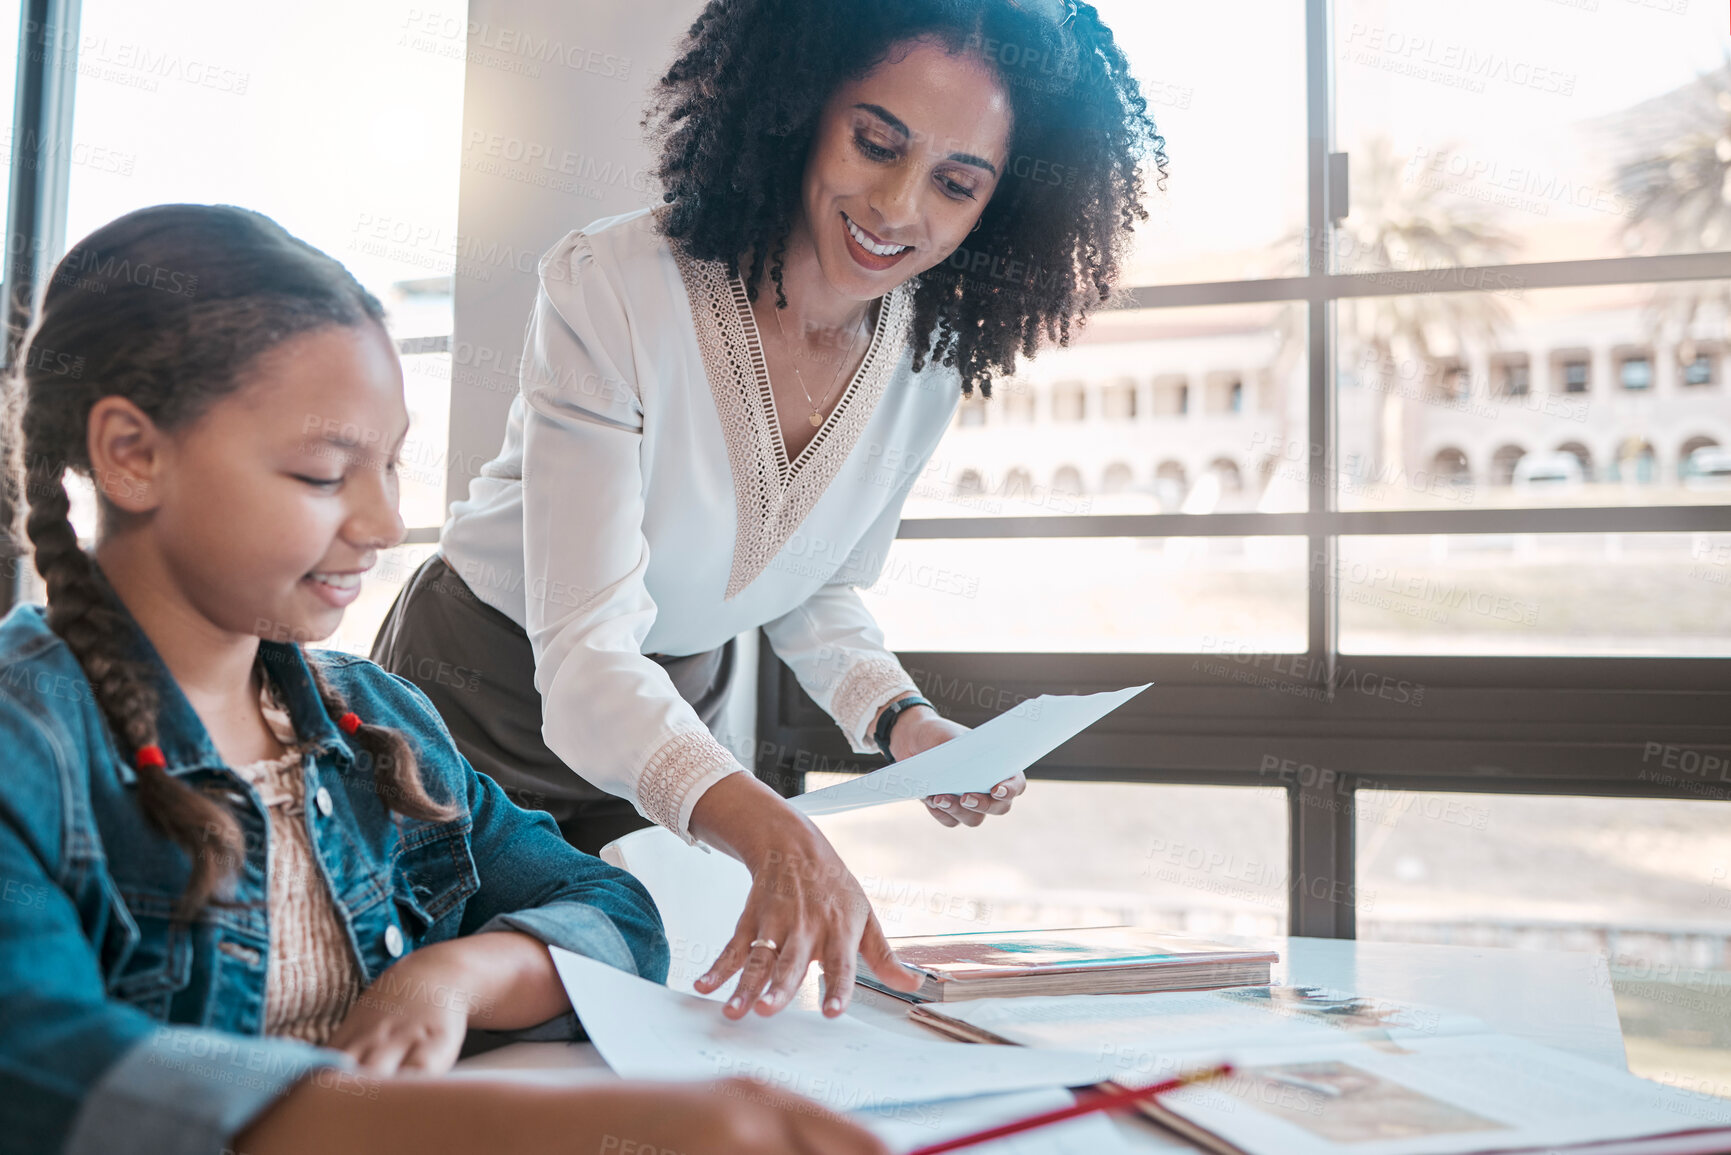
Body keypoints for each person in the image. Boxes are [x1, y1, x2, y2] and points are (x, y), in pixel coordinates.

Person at [0, 204, 888, 1155]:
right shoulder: (30, 746)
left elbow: (615, 912)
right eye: (320, 473)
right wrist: (546, 1126)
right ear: (132, 455)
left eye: (388, 466)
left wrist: (449, 978)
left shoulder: (376, 723)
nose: (385, 523)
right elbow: (51, 1071)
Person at [373, 0, 1164, 1022]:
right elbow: (587, 659)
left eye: (957, 183)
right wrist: (772, 828)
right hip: (480, 694)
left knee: (623, 1008)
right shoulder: (616, 287)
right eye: (875, 142)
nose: (895, 206)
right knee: (441, 1011)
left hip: (669, 733)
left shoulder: (926, 361)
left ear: (999, 207)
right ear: (799, 107)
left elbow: (819, 583)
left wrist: (906, 723)